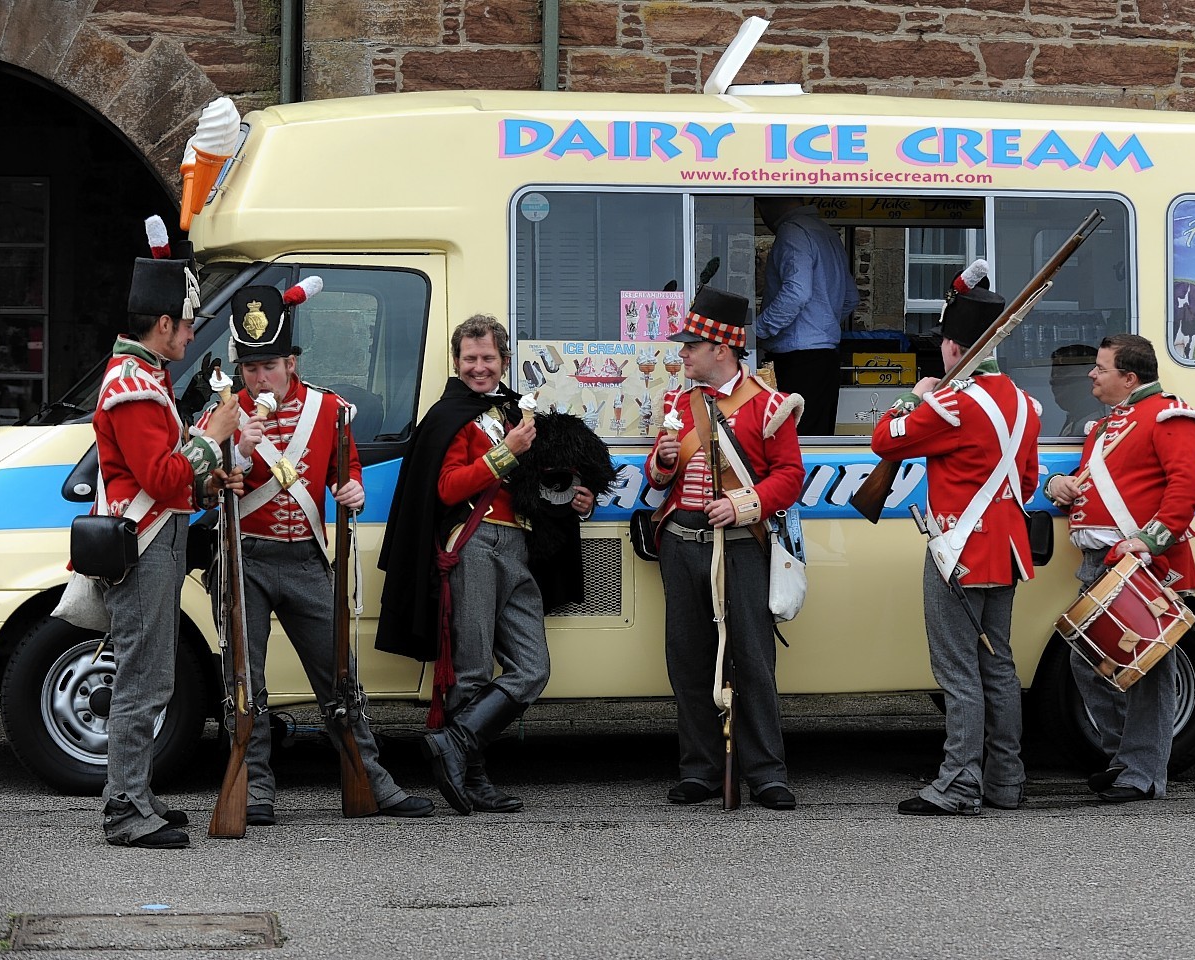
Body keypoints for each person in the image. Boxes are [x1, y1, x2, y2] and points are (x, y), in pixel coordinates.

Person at [196, 280, 434, 825]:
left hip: (305, 558)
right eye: (252, 368)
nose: (261, 378)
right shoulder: (224, 415)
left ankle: (371, 780)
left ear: (292, 361)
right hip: (245, 559)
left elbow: (343, 471)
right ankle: (255, 789)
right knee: (245, 681)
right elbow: (206, 482)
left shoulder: (329, 410)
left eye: (271, 366)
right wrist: (234, 453)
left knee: (339, 676)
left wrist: (352, 490)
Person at [376, 315, 597, 815]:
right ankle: (472, 779)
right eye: (470, 359)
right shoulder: (447, 416)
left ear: (503, 360)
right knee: (470, 670)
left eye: (488, 359)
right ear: (456, 362)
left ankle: (454, 744)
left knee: (533, 667)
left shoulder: (521, 412)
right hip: (473, 545)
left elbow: (541, 485)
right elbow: (446, 488)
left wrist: (574, 499)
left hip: (520, 548)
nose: (479, 368)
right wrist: (505, 453)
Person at [871, 273, 1041, 816]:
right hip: (1006, 549)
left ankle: (959, 783)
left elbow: (883, 440)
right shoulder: (1025, 403)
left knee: (958, 672)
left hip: (961, 551)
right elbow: (1029, 482)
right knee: (998, 666)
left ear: (953, 346)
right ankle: (1006, 781)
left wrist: (910, 397)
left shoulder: (950, 404)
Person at [96, 229, 240, 848]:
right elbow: (158, 475)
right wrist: (215, 433)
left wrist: (208, 479)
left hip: (157, 540)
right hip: (142, 545)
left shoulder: (145, 376)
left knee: (153, 675)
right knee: (141, 678)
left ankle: (137, 793)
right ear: (162, 324)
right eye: (185, 325)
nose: (190, 334)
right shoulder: (132, 383)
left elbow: (171, 475)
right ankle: (125, 808)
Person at [646, 286, 806, 810]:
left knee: (754, 661)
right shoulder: (677, 401)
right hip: (681, 542)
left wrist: (744, 505)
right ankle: (700, 769)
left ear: (720, 348)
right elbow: (660, 478)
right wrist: (664, 461)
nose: (682, 354)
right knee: (688, 660)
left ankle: (766, 772)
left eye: (691, 346)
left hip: (740, 545)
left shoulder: (770, 404)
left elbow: (789, 477)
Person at [1043, 334, 1195, 803]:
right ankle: (1123, 760)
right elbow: (1096, 481)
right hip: (1102, 561)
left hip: (1141, 561)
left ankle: (1143, 773)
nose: (1092, 374)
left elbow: (1186, 486)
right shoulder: (1104, 425)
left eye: (1101, 367)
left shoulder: (1169, 415)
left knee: (1149, 671)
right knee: (1089, 663)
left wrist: (1148, 542)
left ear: (1129, 377)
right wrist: (1061, 485)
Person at [753, 196, 860, 436]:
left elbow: (796, 293)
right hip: (826, 356)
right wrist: (822, 323)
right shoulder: (828, 233)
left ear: (765, 205)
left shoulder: (792, 231)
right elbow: (851, 297)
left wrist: (757, 331)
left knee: (794, 442)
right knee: (818, 440)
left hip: (797, 359)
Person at [1048, 343, 1106, 437]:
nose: (1055, 389)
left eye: (1062, 382)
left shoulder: (1093, 423)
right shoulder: (1076, 418)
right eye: (1053, 382)